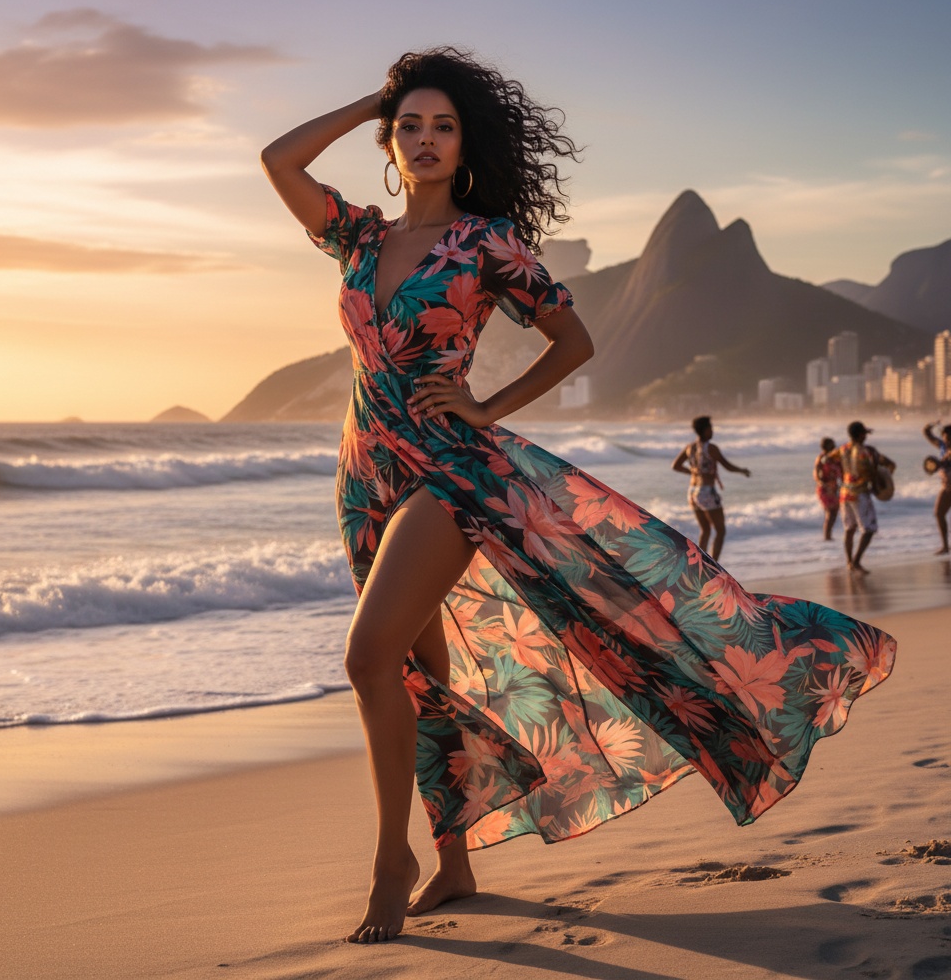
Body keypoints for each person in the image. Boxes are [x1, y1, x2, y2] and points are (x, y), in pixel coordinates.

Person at [261, 47, 896, 944]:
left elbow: (575, 340)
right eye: (411, 127)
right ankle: (456, 858)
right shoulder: (358, 237)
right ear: (389, 142)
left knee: (368, 659)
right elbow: (278, 161)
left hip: (450, 470)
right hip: (365, 471)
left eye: (443, 126)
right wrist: (381, 95)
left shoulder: (487, 243)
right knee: (419, 672)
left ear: (464, 142)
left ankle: (389, 862)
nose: (426, 140)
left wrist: (485, 405)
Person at [671, 416, 751, 560]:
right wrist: (742, 470)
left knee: (705, 530)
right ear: (705, 430)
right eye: (711, 428)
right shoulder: (711, 448)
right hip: (706, 491)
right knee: (720, 530)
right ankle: (715, 566)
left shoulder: (690, 447)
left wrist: (692, 472)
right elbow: (727, 466)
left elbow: (675, 466)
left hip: (692, 492)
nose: (712, 431)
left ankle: (700, 564)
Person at [826, 421, 896, 574]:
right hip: (860, 494)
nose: (866, 436)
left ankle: (849, 562)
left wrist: (839, 477)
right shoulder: (867, 451)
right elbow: (889, 465)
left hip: (844, 494)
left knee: (849, 529)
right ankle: (856, 562)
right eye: (864, 434)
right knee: (869, 529)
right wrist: (882, 481)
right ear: (860, 435)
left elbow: (827, 459)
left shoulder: (842, 449)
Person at [923, 422, 951, 555]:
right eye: (946, 437)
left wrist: (939, 463)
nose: (948, 440)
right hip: (947, 488)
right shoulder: (942, 446)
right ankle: (945, 546)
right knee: (939, 514)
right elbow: (927, 434)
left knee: (939, 514)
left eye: (950, 437)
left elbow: (944, 461)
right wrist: (930, 425)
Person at [813, 437, 841, 541]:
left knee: (833, 512)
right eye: (832, 444)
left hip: (833, 488)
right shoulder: (822, 458)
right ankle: (827, 537)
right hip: (825, 489)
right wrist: (823, 483)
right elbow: (817, 473)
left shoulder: (835, 458)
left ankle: (828, 536)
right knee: (830, 512)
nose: (834, 446)